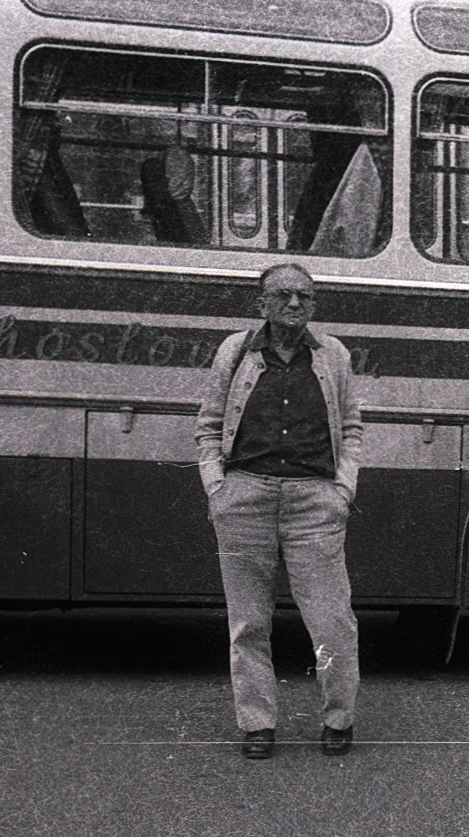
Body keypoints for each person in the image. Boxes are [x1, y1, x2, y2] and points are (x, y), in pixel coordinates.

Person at [196, 262, 363, 760]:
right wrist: (217, 488)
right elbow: (208, 425)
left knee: (332, 621)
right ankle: (257, 724)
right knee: (248, 622)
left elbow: (351, 429)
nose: (295, 305)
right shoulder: (234, 351)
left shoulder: (333, 355)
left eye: (305, 298)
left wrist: (343, 490)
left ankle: (338, 720)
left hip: (314, 502)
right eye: (284, 296)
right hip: (244, 497)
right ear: (261, 303)